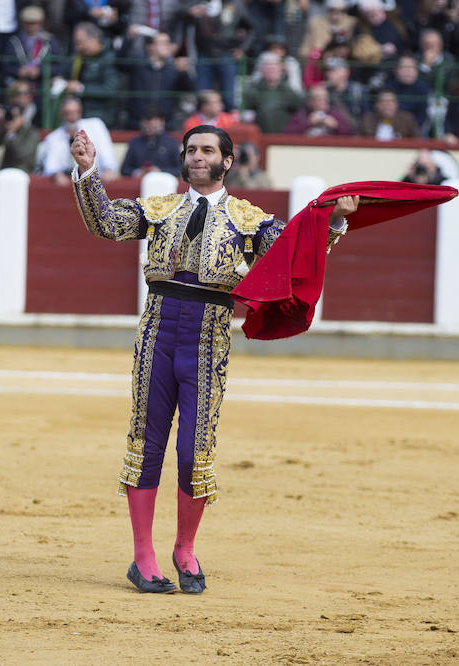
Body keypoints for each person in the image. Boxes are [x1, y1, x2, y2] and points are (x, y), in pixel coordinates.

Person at [68, 123, 358, 594]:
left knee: (194, 450)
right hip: (158, 331)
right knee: (146, 442)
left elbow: (298, 253)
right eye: (190, 150)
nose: (196, 156)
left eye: (206, 150)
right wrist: (87, 172)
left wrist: (336, 222)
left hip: (208, 338)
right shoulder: (160, 208)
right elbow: (105, 222)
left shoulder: (249, 219)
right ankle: (143, 557)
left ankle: (185, 548)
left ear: (227, 161)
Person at [39, 95, 117, 184]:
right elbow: (50, 168)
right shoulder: (53, 138)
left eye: (76, 112)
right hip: (69, 185)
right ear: (61, 114)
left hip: (95, 182)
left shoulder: (96, 126)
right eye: (67, 113)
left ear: (81, 112)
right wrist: (56, 175)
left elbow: (108, 158)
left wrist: (108, 170)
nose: (72, 117)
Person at [126, 30, 195, 129]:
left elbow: (188, 89)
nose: (167, 46)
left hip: (166, 124)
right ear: (150, 47)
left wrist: (183, 72)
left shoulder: (174, 68)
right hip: (138, 123)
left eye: (168, 43)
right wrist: (129, 39)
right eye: (163, 43)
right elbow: (120, 60)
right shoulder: (138, 65)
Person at [59, 22, 119, 128]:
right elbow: (65, 72)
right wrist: (60, 79)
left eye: (80, 42)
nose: (78, 47)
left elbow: (110, 89)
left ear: (94, 39)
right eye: (76, 43)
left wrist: (81, 88)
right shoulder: (78, 57)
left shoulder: (109, 58)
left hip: (101, 117)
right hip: (79, 116)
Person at [240, 51, 304, 134]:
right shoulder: (254, 89)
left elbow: (299, 106)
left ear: (280, 68)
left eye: (274, 65)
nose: (271, 69)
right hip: (261, 135)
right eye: (267, 66)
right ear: (261, 69)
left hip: (283, 135)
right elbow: (246, 110)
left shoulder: (287, 89)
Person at [119, 107, 180, 178]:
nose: (149, 128)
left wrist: (160, 171)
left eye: (152, 126)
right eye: (146, 125)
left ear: (162, 122)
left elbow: (179, 170)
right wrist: (138, 172)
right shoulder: (134, 142)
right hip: (139, 184)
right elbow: (124, 169)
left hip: (163, 184)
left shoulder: (171, 142)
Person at [0, 101, 40, 172]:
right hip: (5, 170)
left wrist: (11, 133)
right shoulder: (3, 129)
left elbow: (22, 155)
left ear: (22, 118)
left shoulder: (32, 132)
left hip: (24, 171)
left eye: (14, 117)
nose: (11, 119)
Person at [283, 83, 354, 135]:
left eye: (326, 98)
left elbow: (350, 133)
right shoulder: (302, 114)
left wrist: (336, 126)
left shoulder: (334, 113)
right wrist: (308, 123)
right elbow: (288, 133)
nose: (324, 102)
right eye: (319, 99)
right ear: (310, 102)